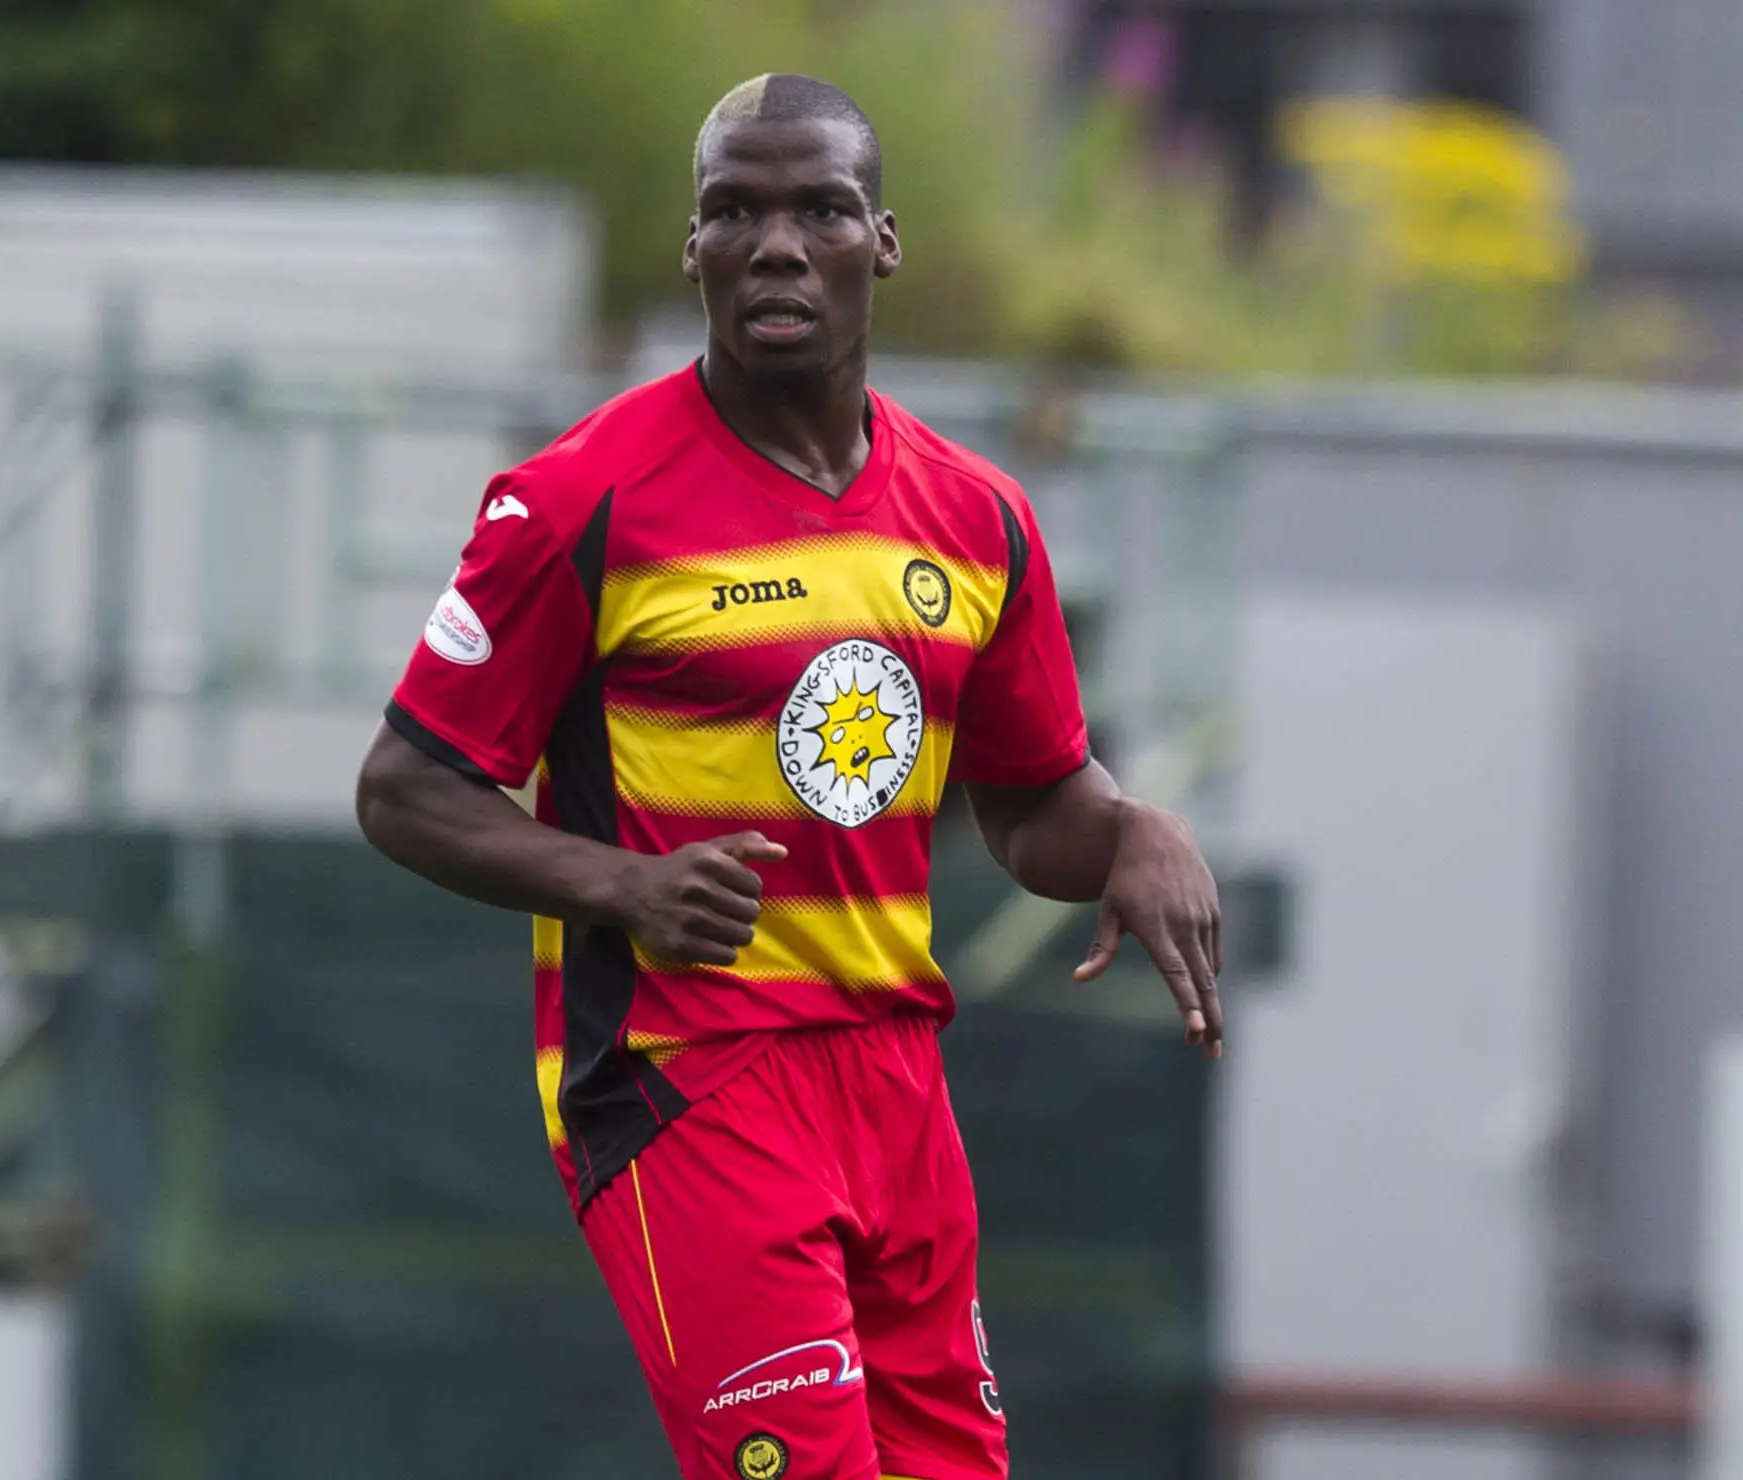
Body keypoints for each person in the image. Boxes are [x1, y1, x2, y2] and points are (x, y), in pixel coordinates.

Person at [355, 71, 1222, 1480]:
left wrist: (1130, 832)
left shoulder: (976, 517)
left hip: (896, 1083)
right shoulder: (577, 502)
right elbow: (404, 787)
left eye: (817, 209)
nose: (774, 244)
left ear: (880, 242)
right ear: (691, 252)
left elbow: (1029, 801)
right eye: (732, 214)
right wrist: (620, 886)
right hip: (688, 1073)